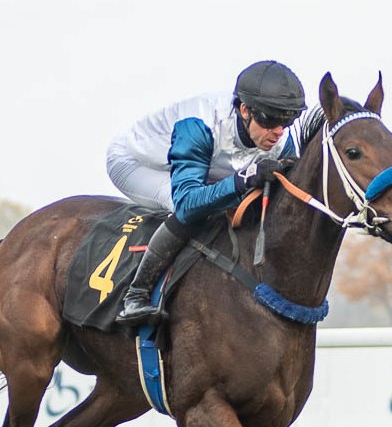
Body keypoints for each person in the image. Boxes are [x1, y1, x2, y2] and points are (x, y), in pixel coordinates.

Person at [106, 60, 307, 326]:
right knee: (192, 211)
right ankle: (137, 294)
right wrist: (242, 180)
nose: (279, 131)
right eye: (270, 120)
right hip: (137, 163)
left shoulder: (279, 139)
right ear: (244, 110)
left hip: (205, 163)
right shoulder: (200, 124)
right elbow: (187, 203)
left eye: (288, 120)